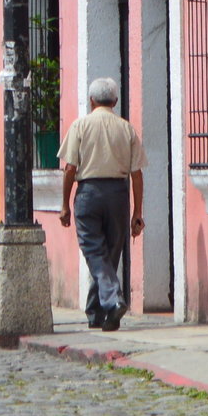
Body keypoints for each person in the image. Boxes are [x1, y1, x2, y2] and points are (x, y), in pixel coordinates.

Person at [57, 76, 146, 332]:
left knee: (95, 252)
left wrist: (65, 204)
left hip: (89, 193)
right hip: (118, 194)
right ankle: (97, 312)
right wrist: (137, 211)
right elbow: (137, 173)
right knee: (109, 253)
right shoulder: (126, 128)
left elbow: (70, 168)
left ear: (92, 100)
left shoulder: (80, 126)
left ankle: (112, 299)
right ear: (115, 101)